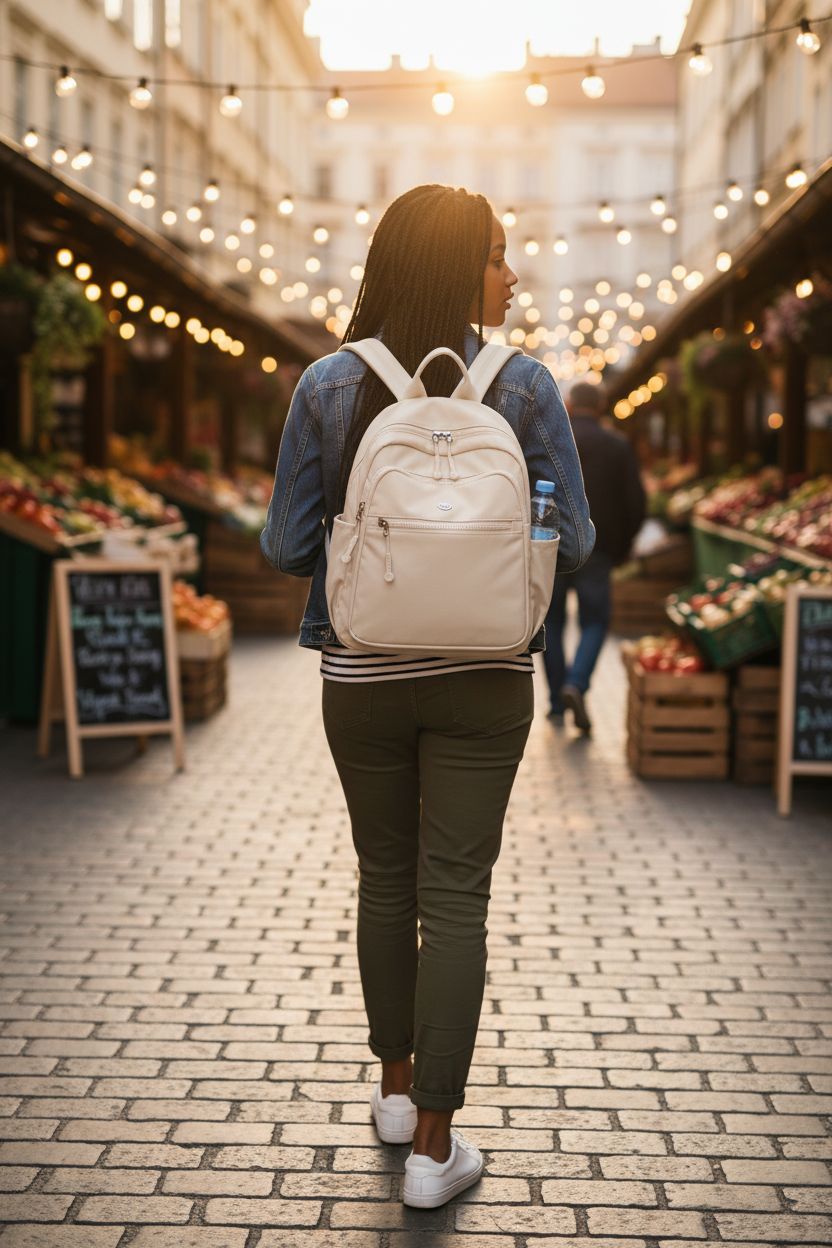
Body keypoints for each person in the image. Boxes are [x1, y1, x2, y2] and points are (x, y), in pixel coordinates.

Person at [261, 184, 594, 1208]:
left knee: (385, 880)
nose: (511, 273)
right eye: (498, 255)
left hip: (361, 670)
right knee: (457, 895)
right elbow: (574, 542)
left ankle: (396, 1093)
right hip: (487, 678)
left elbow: (282, 547)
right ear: (455, 268)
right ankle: (434, 1153)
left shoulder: (326, 383)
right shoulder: (527, 385)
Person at [542, 381, 645, 733]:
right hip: (599, 550)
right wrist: (623, 545)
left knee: (552, 623)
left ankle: (557, 699)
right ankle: (577, 683)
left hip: (553, 545)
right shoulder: (617, 445)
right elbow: (636, 501)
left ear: (569, 405)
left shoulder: (553, 442)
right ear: (601, 406)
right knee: (596, 622)